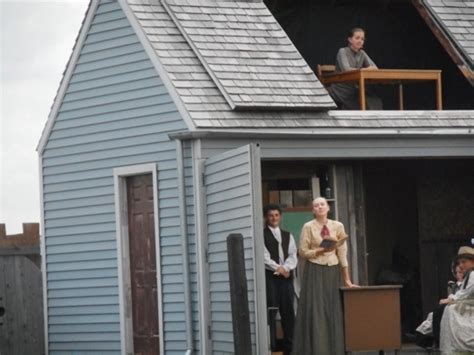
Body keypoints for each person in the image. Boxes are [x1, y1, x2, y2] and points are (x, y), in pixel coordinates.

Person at [293, 197, 357, 355]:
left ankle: (334, 349)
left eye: (322, 204)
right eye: (316, 205)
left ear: (328, 207)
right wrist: (320, 251)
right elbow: (302, 251)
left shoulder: (337, 225)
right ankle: (315, 349)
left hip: (332, 270)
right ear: (313, 210)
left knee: (332, 308)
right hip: (314, 269)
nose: (320, 207)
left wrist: (347, 279)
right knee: (316, 308)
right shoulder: (308, 226)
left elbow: (342, 253)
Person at [263, 204, 297, 355]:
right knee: (270, 312)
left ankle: (289, 349)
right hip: (271, 279)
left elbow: (292, 255)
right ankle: (271, 348)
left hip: (286, 280)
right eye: (271, 215)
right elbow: (264, 258)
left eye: (276, 215)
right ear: (266, 217)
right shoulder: (262, 235)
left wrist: (287, 268)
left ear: (280, 217)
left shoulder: (287, 235)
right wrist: (279, 269)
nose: (274, 218)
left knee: (288, 313)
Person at [329, 27, 383, 110]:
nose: (360, 41)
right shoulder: (342, 51)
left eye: (362, 39)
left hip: (355, 88)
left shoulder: (362, 53)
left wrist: (369, 68)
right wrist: (365, 69)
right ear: (350, 40)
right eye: (357, 38)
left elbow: (375, 69)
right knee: (361, 103)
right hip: (342, 89)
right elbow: (346, 70)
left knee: (376, 101)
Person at [415, 262, 464, 349]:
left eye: (460, 272)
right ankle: (423, 337)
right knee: (435, 313)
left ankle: (433, 340)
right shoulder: (457, 284)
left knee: (440, 311)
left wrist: (449, 300)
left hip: (463, 308)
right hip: (455, 306)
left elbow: (463, 296)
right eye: (456, 273)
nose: (458, 275)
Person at [439, 246, 474, 354]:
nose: (461, 265)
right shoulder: (469, 275)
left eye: (464, 262)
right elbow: (462, 291)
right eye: (460, 263)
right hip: (468, 303)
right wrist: (451, 298)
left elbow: (467, 292)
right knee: (447, 310)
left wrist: (452, 299)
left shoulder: (473, 274)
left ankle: (453, 348)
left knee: (451, 310)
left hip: (471, 306)